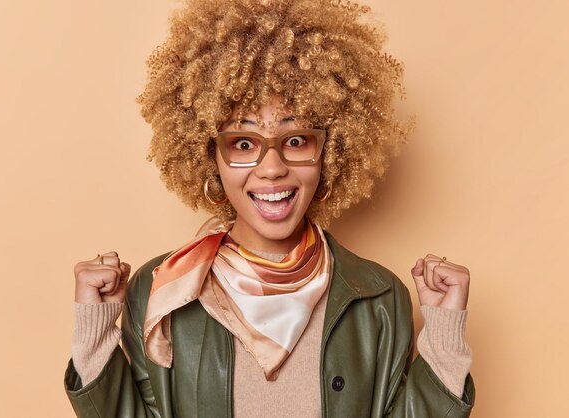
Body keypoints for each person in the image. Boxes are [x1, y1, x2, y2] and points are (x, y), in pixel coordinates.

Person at [64, 0, 475, 416]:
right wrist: (95, 335)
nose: (272, 168)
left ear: (328, 151)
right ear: (210, 156)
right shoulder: (163, 290)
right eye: (243, 144)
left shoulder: (380, 299)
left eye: (296, 140)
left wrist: (443, 341)